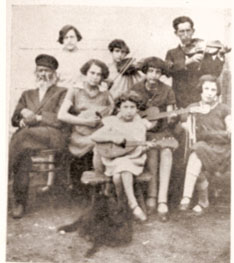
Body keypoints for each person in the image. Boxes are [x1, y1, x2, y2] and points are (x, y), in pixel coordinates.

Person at [9, 54, 69, 219]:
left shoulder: (62, 92)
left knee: (22, 137)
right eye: (39, 70)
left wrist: (39, 118)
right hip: (29, 139)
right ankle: (20, 201)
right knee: (22, 151)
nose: (42, 74)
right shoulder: (27, 94)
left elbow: (62, 119)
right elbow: (14, 119)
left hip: (52, 134)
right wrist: (22, 117)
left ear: (54, 74)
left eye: (46, 70)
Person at [91, 92, 155, 222]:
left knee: (120, 171)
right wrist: (113, 138)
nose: (129, 111)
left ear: (137, 109)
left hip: (134, 160)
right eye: (125, 107)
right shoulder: (112, 121)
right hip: (113, 159)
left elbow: (137, 147)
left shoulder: (140, 124)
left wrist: (144, 147)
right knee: (120, 169)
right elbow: (94, 137)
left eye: (132, 107)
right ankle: (132, 205)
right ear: (119, 108)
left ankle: (125, 204)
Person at [132, 57, 178, 222]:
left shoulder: (167, 90)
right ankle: (151, 196)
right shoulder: (136, 88)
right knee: (152, 153)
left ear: (161, 74)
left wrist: (172, 116)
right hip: (143, 133)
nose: (153, 75)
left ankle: (162, 200)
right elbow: (130, 112)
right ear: (145, 71)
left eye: (157, 72)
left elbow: (172, 113)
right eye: (150, 71)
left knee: (166, 152)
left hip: (163, 131)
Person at [58, 59, 114, 191]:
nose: (95, 77)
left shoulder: (104, 92)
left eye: (99, 75)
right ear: (85, 73)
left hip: (99, 132)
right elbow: (61, 115)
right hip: (80, 134)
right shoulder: (75, 90)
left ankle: (104, 187)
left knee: (106, 142)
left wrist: (109, 94)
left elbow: (111, 112)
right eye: (92, 73)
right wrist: (86, 122)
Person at [178, 75, 231, 215]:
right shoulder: (193, 107)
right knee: (196, 150)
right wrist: (189, 124)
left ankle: (191, 199)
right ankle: (192, 198)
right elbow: (184, 124)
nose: (209, 92)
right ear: (200, 90)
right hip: (202, 147)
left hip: (223, 150)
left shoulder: (223, 108)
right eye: (206, 88)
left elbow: (230, 126)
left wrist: (230, 128)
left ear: (217, 92)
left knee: (197, 151)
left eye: (213, 90)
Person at [165, 16, 225, 108]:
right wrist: (188, 61)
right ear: (176, 33)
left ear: (193, 31)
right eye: (182, 31)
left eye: (188, 30)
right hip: (180, 99)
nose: (186, 34)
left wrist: (220, 56)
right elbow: (168, 71)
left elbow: (213, 74)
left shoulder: (202, 50)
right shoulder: (171, 53)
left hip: (200, 99)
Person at [56, 24, 85, 89]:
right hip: (62, 92)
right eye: (66, 38)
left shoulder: (84, 57)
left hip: (79, 93)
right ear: (62, 40)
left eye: (72, 37)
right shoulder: (57, 58)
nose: (69, 40)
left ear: (77, 38)